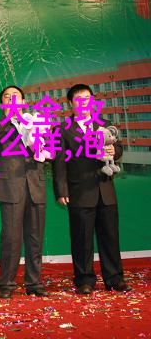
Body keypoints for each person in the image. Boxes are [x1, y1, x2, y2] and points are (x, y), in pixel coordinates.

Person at [53, 83, 131, 295]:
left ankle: (115, 279)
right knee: (82, 239)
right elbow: (59, 163)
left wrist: (114, 150)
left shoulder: (105, 124)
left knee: (110, 238)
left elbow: (119, 147)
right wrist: (61, 190)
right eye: (78, 99)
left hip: (106, 191)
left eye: (87, 98)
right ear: (71, 103)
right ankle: (84, 280)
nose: (83, 102)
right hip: (79, 192)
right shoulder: (62, 130)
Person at [0, 85, 48, 299]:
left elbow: (50, 149)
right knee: (11, 238)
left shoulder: (36, 122)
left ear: (23, 102)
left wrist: (40, 138)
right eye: (7, 97)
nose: (12, 99)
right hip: (11, 186)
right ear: (2, 103)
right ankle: (6, 284)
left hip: (35, 185)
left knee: (35, 238)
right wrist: (8, 118)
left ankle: (34, 283)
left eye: (16, 96)